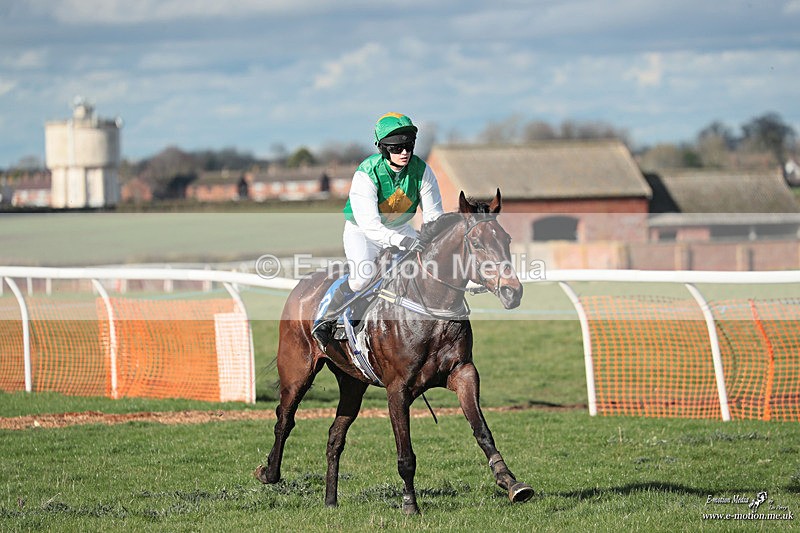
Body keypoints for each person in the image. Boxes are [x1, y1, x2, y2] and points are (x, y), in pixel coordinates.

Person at [312, 112, 444, 346]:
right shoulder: (367, 173)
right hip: (362, 232)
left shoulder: (422, 171)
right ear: (383, 149)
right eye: (396, 147)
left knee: (430, 267)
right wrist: (404, 242)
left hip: (401, 228)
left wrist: (430, 241)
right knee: (363, 278)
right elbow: (370, 225)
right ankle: (326, 318)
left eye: (408, 146)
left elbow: (434, 217)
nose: (404, 152)